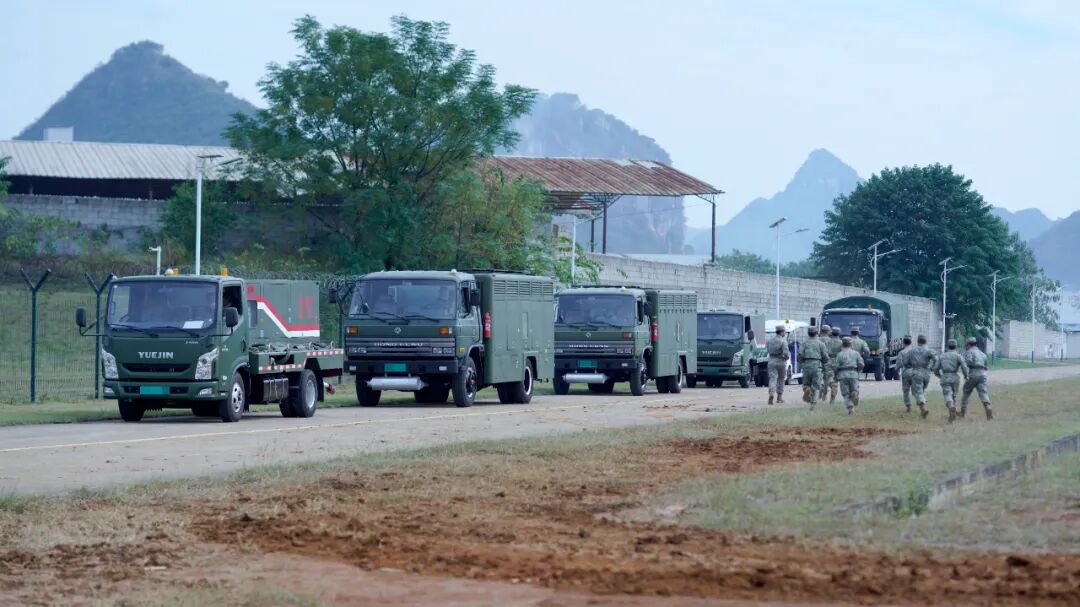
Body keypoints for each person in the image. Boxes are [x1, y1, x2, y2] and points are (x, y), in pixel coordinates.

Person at [933, 339, 969, 423]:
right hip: (955, 377)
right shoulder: (958, 356)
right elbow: (964, 366)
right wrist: (966, 376)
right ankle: (952, 414)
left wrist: (939, 375)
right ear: (956, 347)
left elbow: (935, 368)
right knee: (953, 396)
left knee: (947, 394)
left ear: (947, 346)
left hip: (945, 376)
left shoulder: (942, 356)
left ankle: (951, 407)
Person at [961, 337, 993, 420]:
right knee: (983, 393)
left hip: (973, 373)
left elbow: (968, 362)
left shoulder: (968, 352)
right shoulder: (982, 354)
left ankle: (962, 412)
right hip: (982, 374)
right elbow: (986, 366)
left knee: (966, 392)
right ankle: (988, 407)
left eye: (966, 345)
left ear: (968, 344)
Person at [799, 326, 828, 409]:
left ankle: (807, 389)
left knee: (806, 384)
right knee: (816, 386)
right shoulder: (821, 344)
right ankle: (813, 404)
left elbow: (800, 354)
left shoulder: (804, 343)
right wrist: (823, 363)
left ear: (808, 333)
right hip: (817, 366)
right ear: (817, 333)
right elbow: (825, 356)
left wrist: (802, 363)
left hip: (806, 365)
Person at [906, 335, 935, 418]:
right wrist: (931, 367)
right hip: (927, 373)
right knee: (922, 390)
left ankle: (923, 408)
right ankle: (922, 405)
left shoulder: (912, 351)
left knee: (916, 391)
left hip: (917, 372)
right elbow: (936, 359)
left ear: (917, 341)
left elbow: (906, 362)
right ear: (926, 342)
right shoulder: (929, 350)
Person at [835, 337, 863, 414]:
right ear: (851, 344)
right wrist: (858, 371)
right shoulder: (856, 353)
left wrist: (835, 375)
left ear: (842, 344)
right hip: (853, 374)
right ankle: (855, 393)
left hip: (843, 375)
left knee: (845, 393)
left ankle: (850, 407)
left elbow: (836, 366)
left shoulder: (839, 354)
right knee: (854, 389)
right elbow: (861, 364)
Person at [766, 324, 789, 405]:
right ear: (782, 332)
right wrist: (786, 358)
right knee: (781, 379)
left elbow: (768, 350)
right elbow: (786, 353)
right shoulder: (783, 341)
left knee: (772, 378)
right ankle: (779, 397)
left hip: (771, 361)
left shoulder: (769, 340)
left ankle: (771, 393)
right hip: (781, 361)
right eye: (784, 331)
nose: (785, 333)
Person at [895, 335, 914, 412]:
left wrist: (896, 369)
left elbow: (899, 363)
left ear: (903, 342)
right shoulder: (915, 351)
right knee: (917, 388)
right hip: (914, 371)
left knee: (906, 390)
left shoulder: (901, 352)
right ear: (911, 342)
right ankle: (921, 401)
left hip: (906, 372)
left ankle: (908, 405)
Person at [826, 326, 843, 403]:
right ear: (839, 334)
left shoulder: (827, 342)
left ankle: (830, 384)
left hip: (828, 361)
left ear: (832, 333)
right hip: (837, 361)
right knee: (835, 380)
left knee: (828, 377)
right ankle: (832, 399)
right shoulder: (841, 342)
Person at [818, 324, 833, 401]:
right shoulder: (830, 341)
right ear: (828, 331)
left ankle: (820, 388)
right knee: (827, 378)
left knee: (819, 378)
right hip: (827, 361)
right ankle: (824, 395)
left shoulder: (817, 339)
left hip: (818, 361)